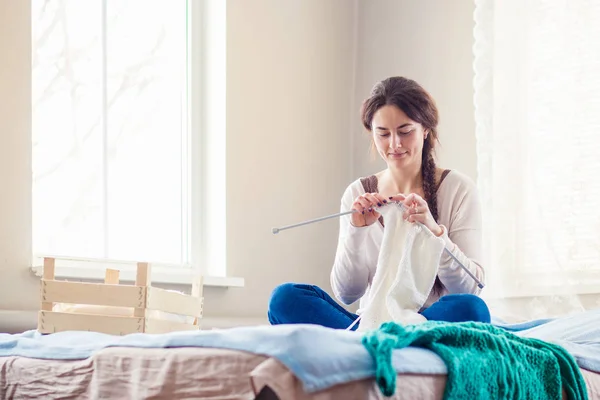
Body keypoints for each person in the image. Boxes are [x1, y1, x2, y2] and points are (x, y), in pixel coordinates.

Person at [268, 76, 490, 330]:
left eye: (405, 132)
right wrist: (356, 230)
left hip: (430, 322)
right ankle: (387, 345)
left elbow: (472, 287)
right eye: (383, 134)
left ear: (425, 129)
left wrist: (434, 232)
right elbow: (347, 293)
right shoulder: (357, 192)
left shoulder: (458, 189)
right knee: (284, 298)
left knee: (472, 309)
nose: (394, 144)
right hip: (370, 322)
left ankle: (369, 349)